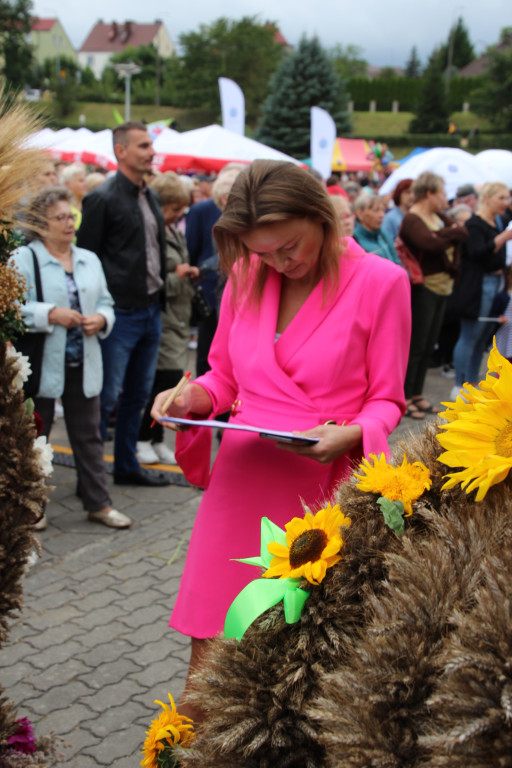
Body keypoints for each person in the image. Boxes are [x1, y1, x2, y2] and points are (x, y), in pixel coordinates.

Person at [151, 160, 411, 720]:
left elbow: (387, 400)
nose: (277, 263)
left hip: (321, 492)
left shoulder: (382, 282)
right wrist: (191, 399)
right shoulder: (245, 274)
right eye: (263, 252)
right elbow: (221, 376)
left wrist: (351, 435)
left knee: (303, 658)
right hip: (240, 484)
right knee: (212, 643)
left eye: (288, 246)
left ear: (321, 217)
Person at [11, 186, 131, 529]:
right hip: (41, 363)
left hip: (83, 361)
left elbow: (107, 302)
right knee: (34, 437)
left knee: (89, 435)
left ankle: (99, 504)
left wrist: (102, 319)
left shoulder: (88, 258)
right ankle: (30, 507)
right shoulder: (24, 257)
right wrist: (50, 314)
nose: (68, 223)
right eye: (59, 217)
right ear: (41, 223)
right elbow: (11, 309)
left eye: (71, 216)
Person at [77, 121, 171, 487]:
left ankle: (126, 465)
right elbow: (87, 260)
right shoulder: (101, 198)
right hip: (119, 314)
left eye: (151, 145)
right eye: (144, 146)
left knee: (138, 395)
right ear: (121, 151)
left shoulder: (150, 195)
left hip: (150, 309)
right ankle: (93, 477)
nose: (151, 152)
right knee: (104, 398)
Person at [137, 172, 199, 465]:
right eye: (173, 208)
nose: (178, 214)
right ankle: (143, 437)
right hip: (164, 316)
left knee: (172, 379)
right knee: (159, 381)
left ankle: (157, 439)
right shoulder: (152, 234)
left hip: (179, 315)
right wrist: (178, 277)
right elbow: (153, 280)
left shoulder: (172, 231)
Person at [399, 171, 468, 418]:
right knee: (417, 344)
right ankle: (404, 397)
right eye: (442, 191)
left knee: (428, 345)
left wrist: (442, 235)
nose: (445, 197)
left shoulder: (436, 215)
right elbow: (430, 244)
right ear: (429, 192)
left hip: (442, 285)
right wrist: (446, 235)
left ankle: (416, 393)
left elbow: (462, 233)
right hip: (423, 287)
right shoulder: (413, 219)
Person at [451, 182, 511, 393]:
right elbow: (478, 253)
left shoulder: (495, 220)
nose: (506, 202)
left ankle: (472, 381)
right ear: (487, 198)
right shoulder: (475, 224)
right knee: (470, 335)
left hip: (494, 282)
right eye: (501, 198)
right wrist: (504, 237)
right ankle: (460, 384)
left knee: (483, 336)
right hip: (479, 285)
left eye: (507, 198)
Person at [353, 194, 403, 266]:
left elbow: (396, 260)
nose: (382, 215)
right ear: (360, 214)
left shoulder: (382, 234)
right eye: (376, 211)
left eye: (382, 210)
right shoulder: (355, 240)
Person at [381, 178, 414, 243]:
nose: (412, 196)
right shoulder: (390, 217)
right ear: (399, 194)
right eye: (407, 192)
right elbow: (387, 242)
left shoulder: (416, 215)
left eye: (414, 192)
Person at [60, 163, 87, 231]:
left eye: (85, 180)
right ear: (68, 184)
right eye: (81, 181)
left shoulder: (89, 203)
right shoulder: (62, 208)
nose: (85, 184)